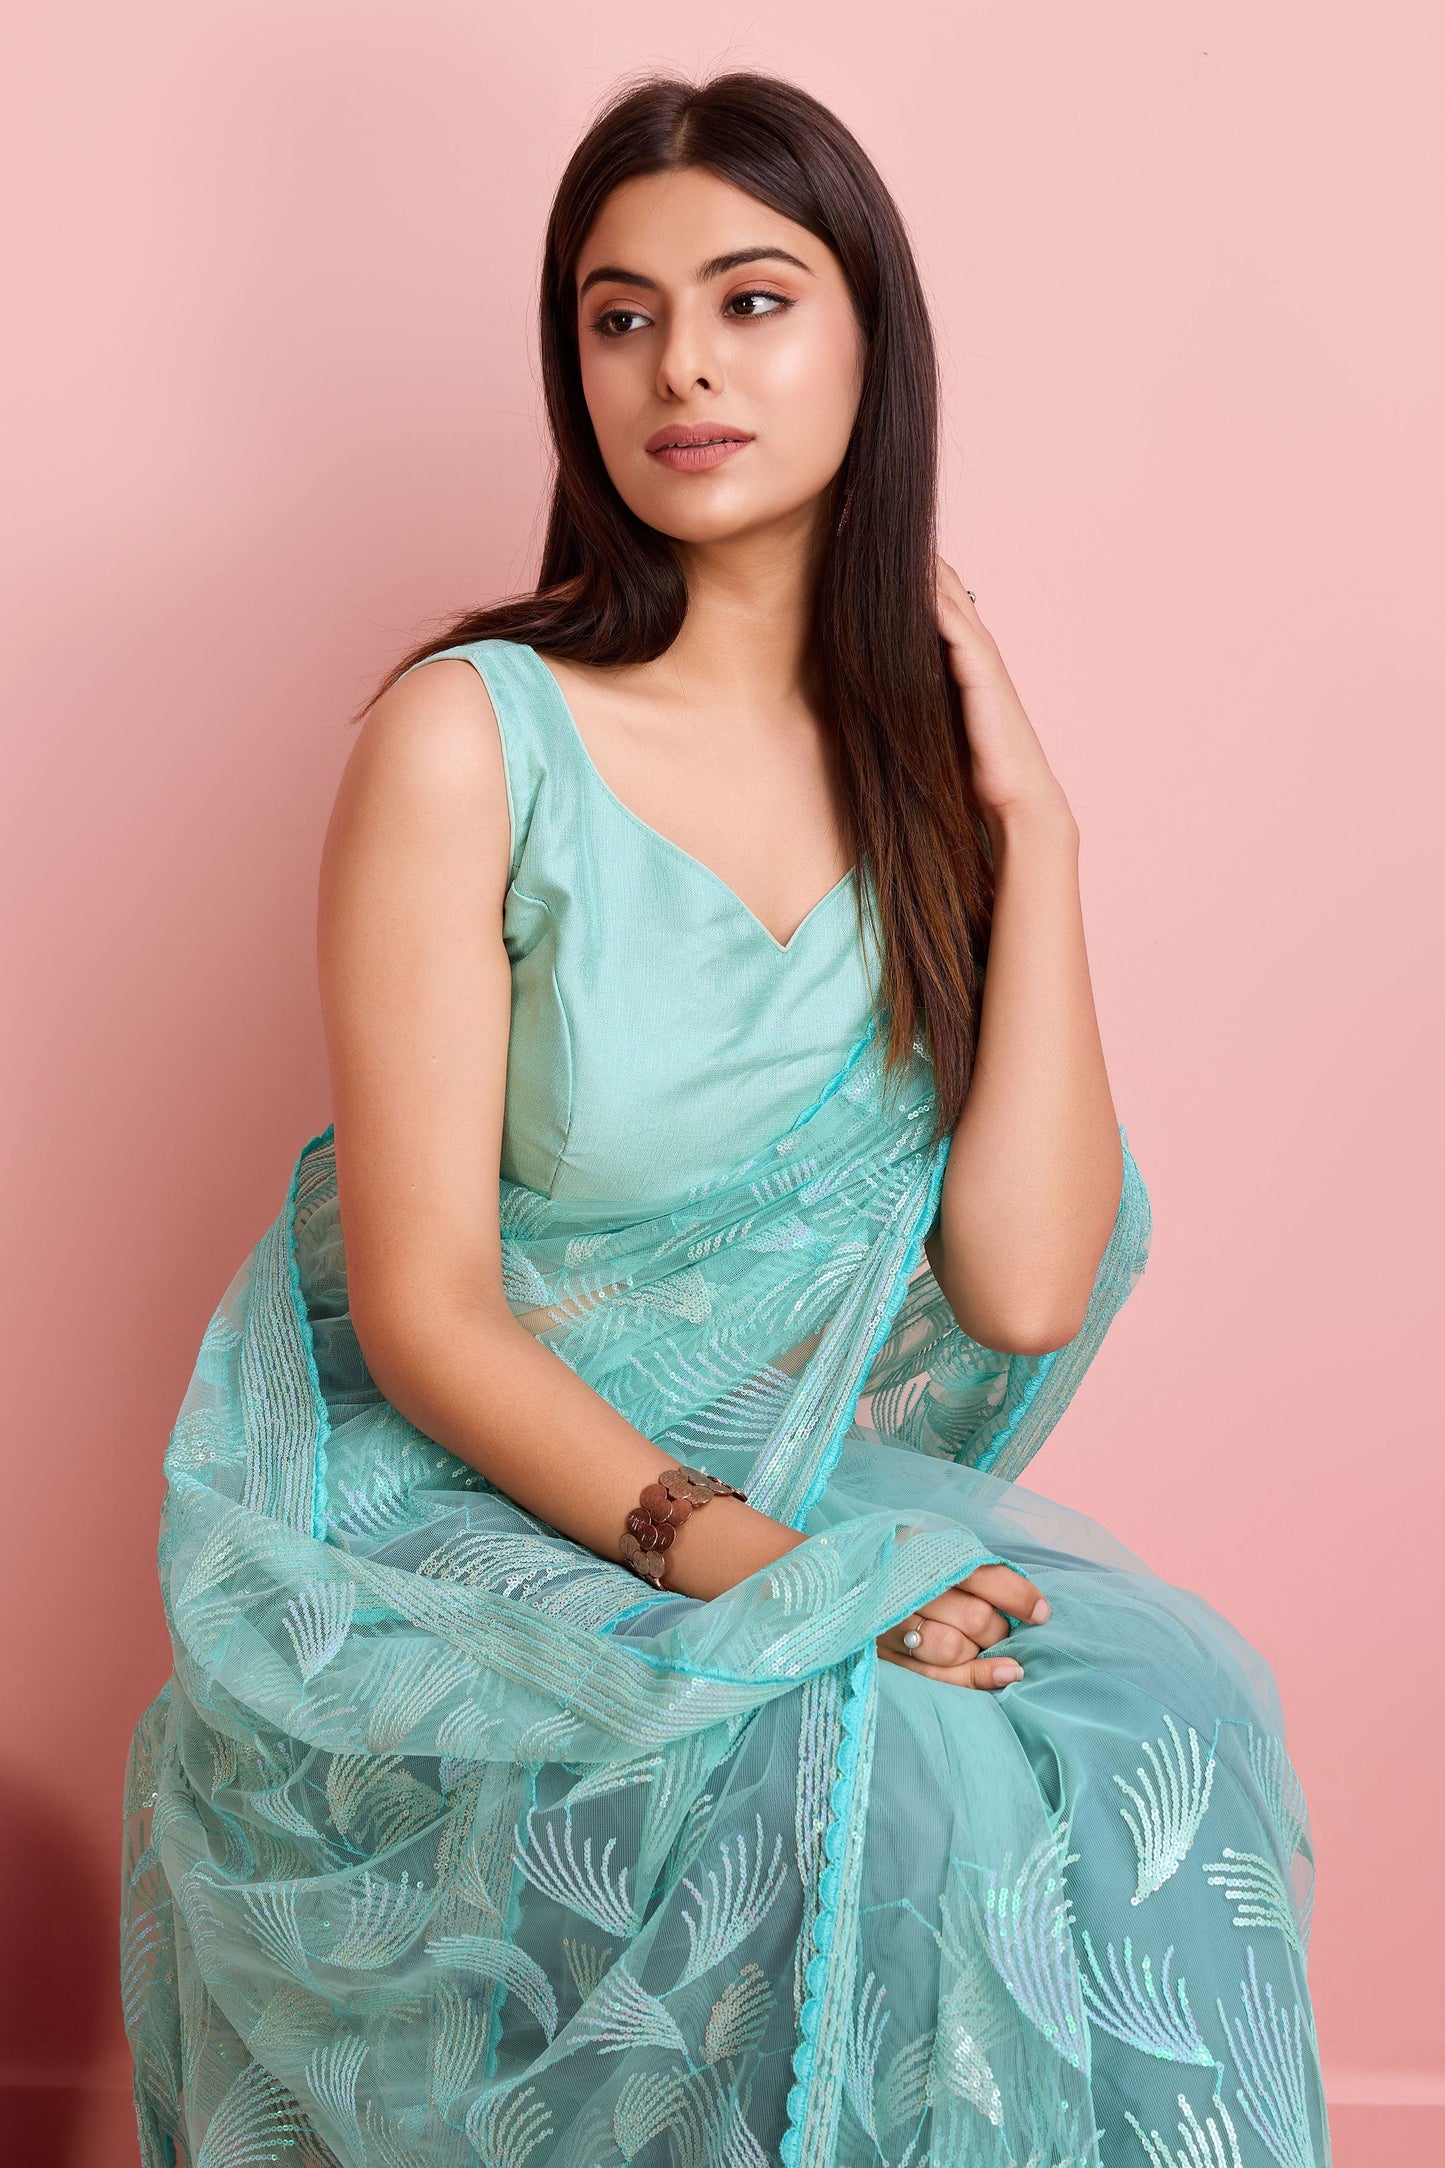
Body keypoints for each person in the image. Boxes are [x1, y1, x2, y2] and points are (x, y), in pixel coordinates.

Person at [120, 68, 1332, 2168]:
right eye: (620, 316)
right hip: (476, 1507)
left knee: (1173, 1709)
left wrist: (1036, 831)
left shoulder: (925, 785)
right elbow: (425, 1312)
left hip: (787, 1484)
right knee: (886, 1769)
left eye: (752, 300)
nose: (680, 363)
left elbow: (1023, 1282)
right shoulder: (469, 740)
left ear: (872, 341)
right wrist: (776, 1573)